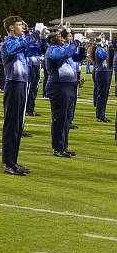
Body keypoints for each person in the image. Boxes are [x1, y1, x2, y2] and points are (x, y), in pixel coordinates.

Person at [0, 16, 40, 176]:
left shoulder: (21, 42)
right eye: (19, 24)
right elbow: (16, 47)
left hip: (22, 84)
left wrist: (39, 38)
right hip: (13, 84)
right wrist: (32, 35)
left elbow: (36, 49)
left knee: (18, 124)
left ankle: (13, 161)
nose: (23, 26)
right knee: (11, 124)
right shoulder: (6, 44)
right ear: (11, 28)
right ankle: (9, 163)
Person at [44, 30, 82, 158]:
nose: (61, 38)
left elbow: (77, 58)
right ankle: (58, 148)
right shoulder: (52, 50)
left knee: (67, 118)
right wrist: (74, 44)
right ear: (51, 40)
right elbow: (63, 54)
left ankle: (64, 146)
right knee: (59, 118)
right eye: (58, 37)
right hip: (58, 86)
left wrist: (80, 47)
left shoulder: (63, 49)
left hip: (69, 85)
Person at [90, 41, 112, 123]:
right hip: (102, 72)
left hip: (106, 72)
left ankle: (101, 114)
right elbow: (103, 56)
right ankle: (100, 115)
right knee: (102, 94)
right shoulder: (99, 49)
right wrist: (107, 50)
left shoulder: (103, 49)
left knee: (104, 94)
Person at [25, 37, 44, 117]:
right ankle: (28, 109)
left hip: (36, 65)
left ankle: (31, 108)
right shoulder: (27, 40)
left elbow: (42, 49)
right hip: (31, 66)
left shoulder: (38, 42)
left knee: (34, 89)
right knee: (30, 88)